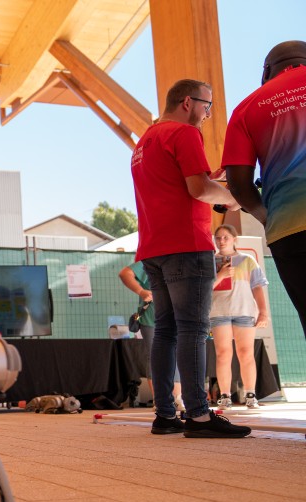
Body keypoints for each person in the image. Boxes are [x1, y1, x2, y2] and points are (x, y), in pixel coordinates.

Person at [131, 79, 250, 438]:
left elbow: (176, 186)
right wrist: (232, 197)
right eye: (206, 106)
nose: (208, 114)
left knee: (165, 330)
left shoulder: (145, 141)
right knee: (193, 329)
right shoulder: (184, 134)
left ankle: (165, 414)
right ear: (187, 102)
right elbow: (198, 189)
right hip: (186, 244)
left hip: (154, 247)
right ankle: (199, 415)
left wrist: (213, 181)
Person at [223, 40, 306, 340]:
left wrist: (264, 215)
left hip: (290, 228)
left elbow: (237, 183)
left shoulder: (247, 107)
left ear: (267, 71)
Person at [210, 224, 270, 410]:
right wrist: (220, 276)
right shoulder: (209, 261)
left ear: (235, 239)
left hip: (244, 311)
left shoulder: (247, 260)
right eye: (218, 237)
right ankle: (225, 396)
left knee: (246, 353)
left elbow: (257, 287)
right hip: (219, 312)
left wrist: (263, 311)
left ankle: (250, 395)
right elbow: (203, 289)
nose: (222, 241)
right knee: (223, 354)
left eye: (226, 237)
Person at [118, 262, 184, 412]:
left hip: (177, 315)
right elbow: (124, 273)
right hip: (152, 317)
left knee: (175, 354)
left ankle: (177, 396)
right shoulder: (150, 260)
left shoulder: (180, 259)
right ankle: (160, 398)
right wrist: (142, 292)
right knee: (156, 355)